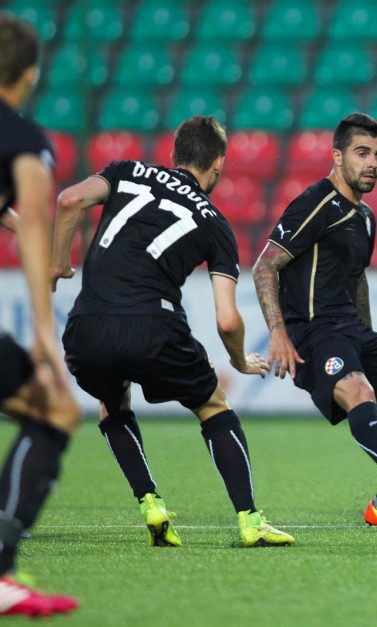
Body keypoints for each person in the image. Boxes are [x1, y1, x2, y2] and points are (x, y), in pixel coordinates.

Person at [51, 115, 294, 548]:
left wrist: (57, 263)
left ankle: (150, 504)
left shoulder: (127, 171)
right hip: (154, 324)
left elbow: (69, 200)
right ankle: (251, 521)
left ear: (173, 154)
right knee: (213, 406)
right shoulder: (216, 224)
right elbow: (226, 319)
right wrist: (238, 360)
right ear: (218, 164)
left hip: (87, 325)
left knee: (112, 404)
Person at [253, 113, 377, 527]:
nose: (373, 163)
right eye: (362, 153)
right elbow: (265, 266)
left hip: (351, 330)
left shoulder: (365, 216)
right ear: (337, 156)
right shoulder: (316, 203)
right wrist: (278, 333)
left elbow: (356, 279)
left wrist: (367, 337)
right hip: (313, 331)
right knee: (359, 392)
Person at [0, 13, 82, 617]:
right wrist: (47, 338)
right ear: (29, 75)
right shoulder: (22, 139)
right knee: (54, 406)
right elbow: (34, 223)